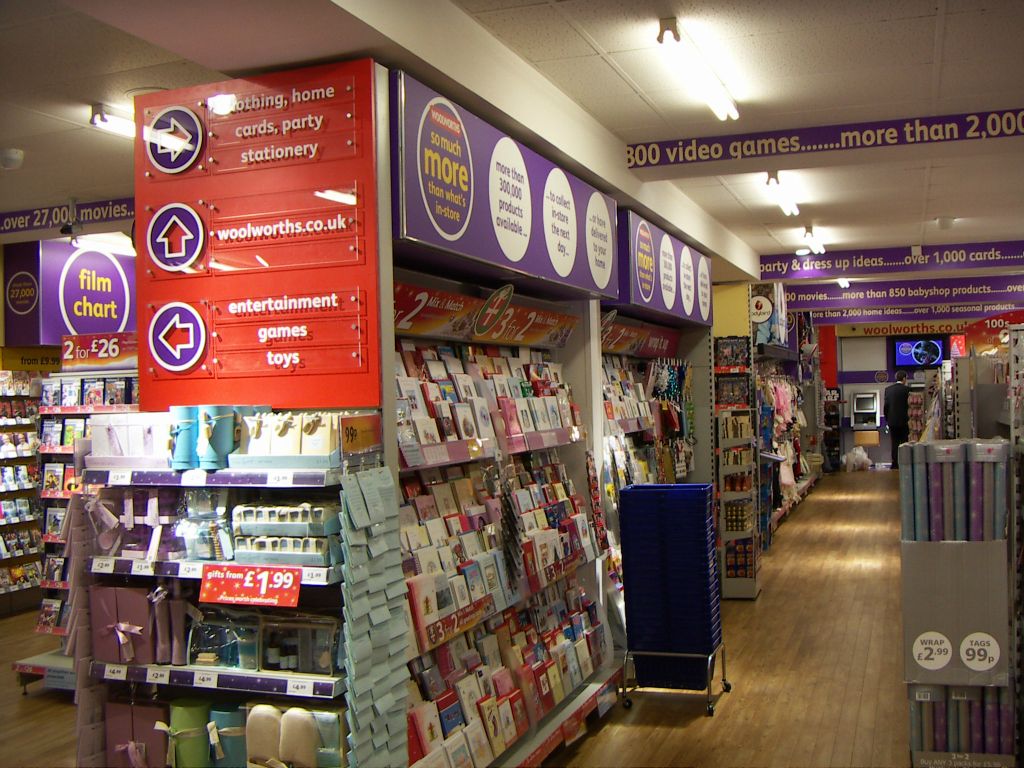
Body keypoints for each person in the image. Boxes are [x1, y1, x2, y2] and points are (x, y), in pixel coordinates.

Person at [884, 370, 911, 469]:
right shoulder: (907, 389)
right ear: (904, 379)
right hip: (904, 421)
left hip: (892, 421)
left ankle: (895, 463)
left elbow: (886, 406)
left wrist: (887, 419)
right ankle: (905, 463)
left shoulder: (888, 389)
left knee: (894, 443)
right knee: (904, 442)